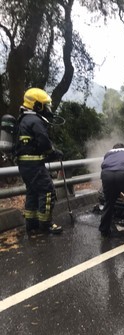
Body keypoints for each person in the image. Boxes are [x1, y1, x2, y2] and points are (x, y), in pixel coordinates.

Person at [15, 88, 63, 234]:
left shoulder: (22, 119)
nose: (48, 109)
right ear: (37, 106)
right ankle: (45, 224)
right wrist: (54, 153)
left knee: (32, 191)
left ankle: (31, 224)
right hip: (35, 165)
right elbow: (44, 143)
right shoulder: (35, 120)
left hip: (24, 165)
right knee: (47, 191)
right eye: (45, 105)